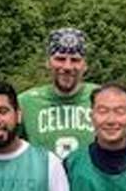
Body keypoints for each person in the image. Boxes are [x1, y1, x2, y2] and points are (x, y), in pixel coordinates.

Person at [18, 27, 96, 158]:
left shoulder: (104, 99)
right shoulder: (25, 102)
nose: (67, 67)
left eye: (75, 60)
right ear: (48, 62)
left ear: (85, 65)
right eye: (60, 59)